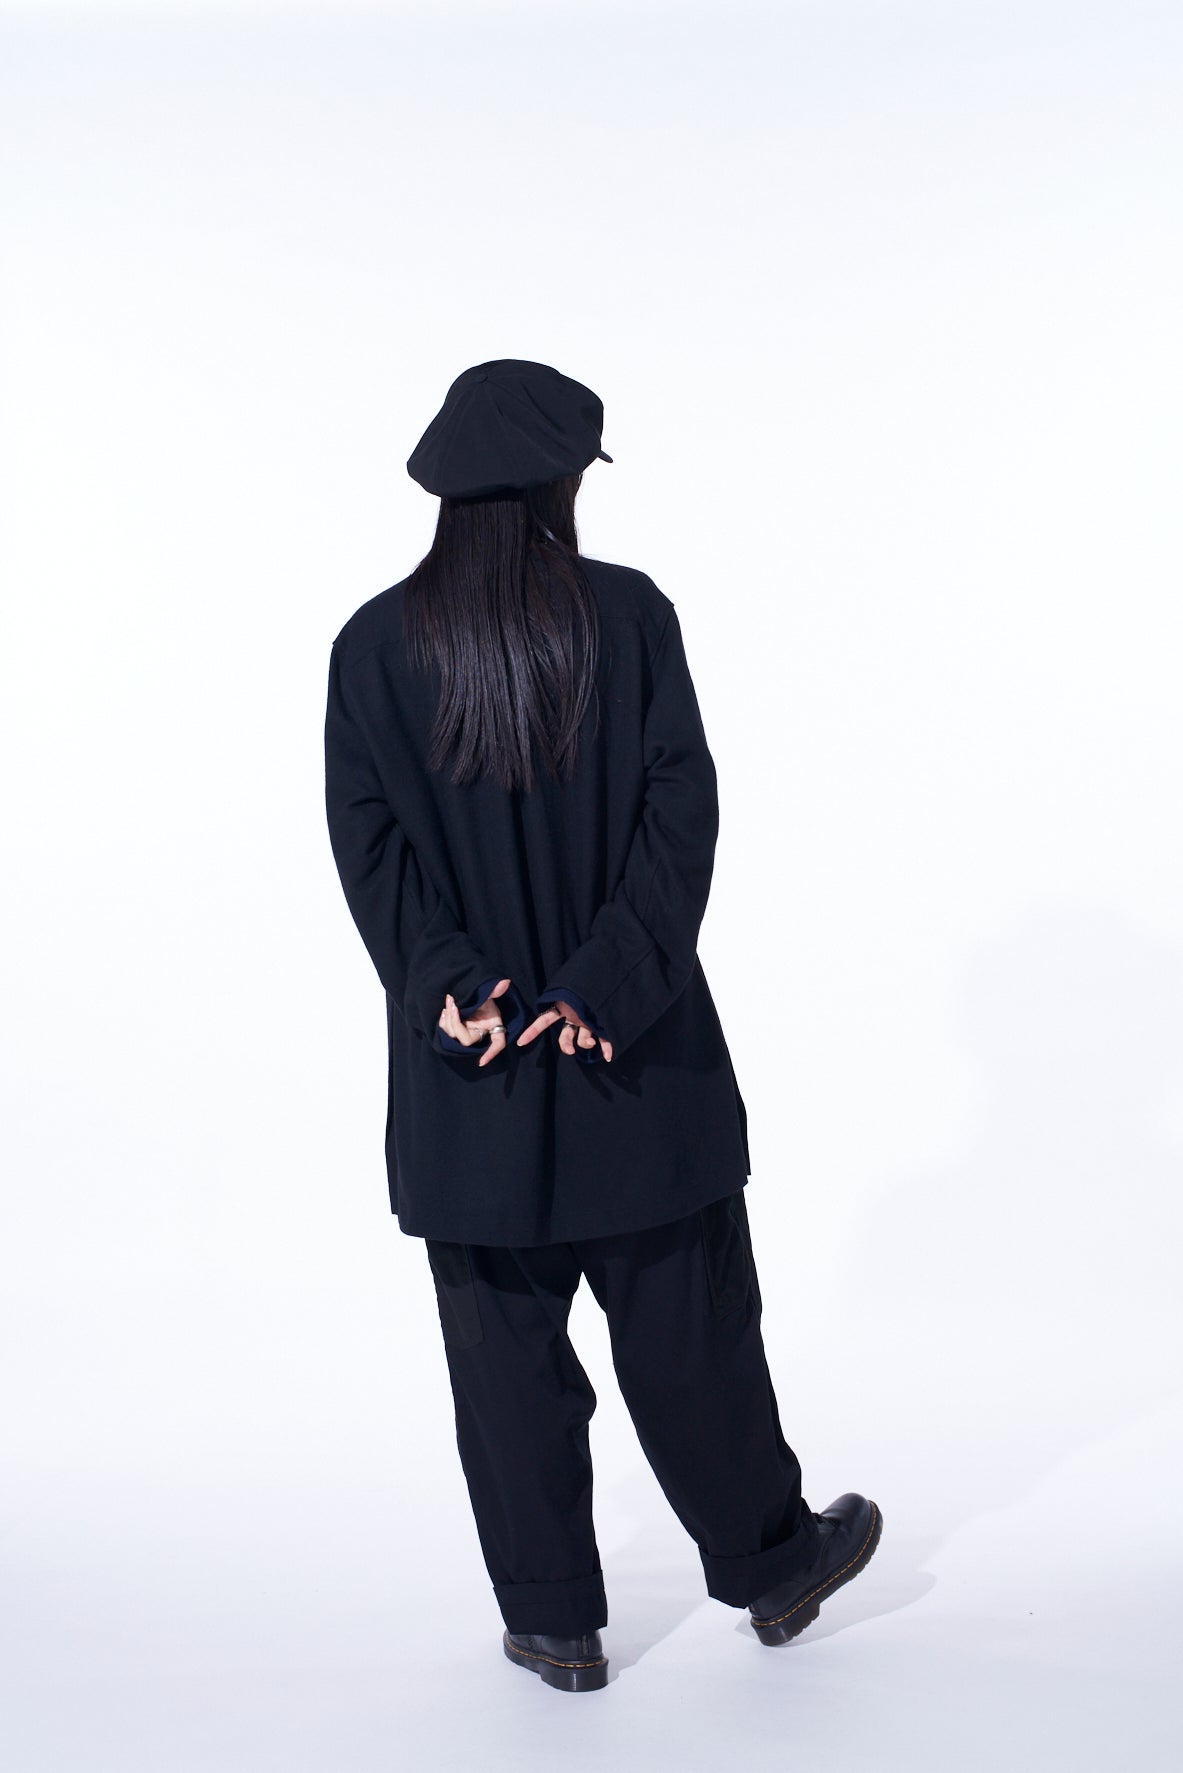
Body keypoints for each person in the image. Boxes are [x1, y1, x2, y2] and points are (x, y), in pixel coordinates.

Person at [323, 359, 881, 1694]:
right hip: (632, 1061)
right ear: (560, 484)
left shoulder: (371, 648)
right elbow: (678, 816)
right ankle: (773, 1566)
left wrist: (455, 985)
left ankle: (555, 1624)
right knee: (691, 1331)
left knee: (504, 1365)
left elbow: (371, 846)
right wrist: (603, 986)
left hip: (472, 1074)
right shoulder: (629, 618)